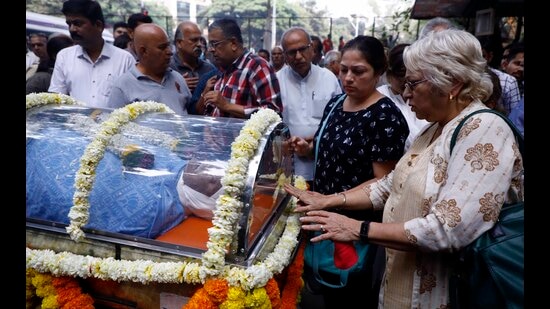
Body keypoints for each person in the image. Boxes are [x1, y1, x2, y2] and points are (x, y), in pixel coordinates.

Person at [285, 29, 523, 308]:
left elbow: (447, 229)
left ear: (453, 84)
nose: (405, 93)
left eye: (413, 83)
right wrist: (330, 200)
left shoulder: (483, 130)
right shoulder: (434, 128)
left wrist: (358, 229)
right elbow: (390, 184)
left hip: (451, 292)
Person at [289, 35, 409, 309]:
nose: (348, 77)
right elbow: (326, 150)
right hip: (324, 218)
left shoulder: (385, 116)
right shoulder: (335, 104)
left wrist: (334, 202)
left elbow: (383, 184)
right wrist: (306, 147)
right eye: (343, 70)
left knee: (352, 296)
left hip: (356, 228)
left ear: (379, 72)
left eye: (358, 71)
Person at [277, 27, 342, 184]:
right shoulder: (276, 81)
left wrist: (315, 142)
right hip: (288, 167)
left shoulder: (328, 78)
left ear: (312, 49)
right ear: (285, 56)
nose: (298, 56)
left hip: (323, 164)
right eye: (292, 52)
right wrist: (280, 144)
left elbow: (339, 120)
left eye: (302, 49)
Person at [48, 0, 135, 108]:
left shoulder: (125, 59)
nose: (72, 29)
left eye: (77, 23)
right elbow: (56, 99)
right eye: (69, 24)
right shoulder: (64, 57)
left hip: (115, 124)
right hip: (74, 124)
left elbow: (133, 102)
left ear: (98, 25)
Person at [198, 18, 282, 118]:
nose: (211, 49)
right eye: (210, 45)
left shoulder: (257, 66)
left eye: (215, 44)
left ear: (233, 44)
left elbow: (273, 113)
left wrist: (227, 106)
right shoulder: (223, 69)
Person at [107, 24, 192, 116]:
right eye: (162, 47)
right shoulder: (123, 87)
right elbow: (115, 124)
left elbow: (190, 112)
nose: (170, 52)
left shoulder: (177, 78)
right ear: (143, 51)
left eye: (168, 45)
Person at [376, 43, 429, 151]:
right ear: (389, 74)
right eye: (401, 75)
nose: (406, 83)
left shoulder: (425, 96)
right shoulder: (380, 99)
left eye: (413, 80)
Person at [171, 21, 217, 96]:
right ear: (179, 43)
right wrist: (175, 87)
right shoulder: (167, 68)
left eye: (200, 40)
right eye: (194, 40)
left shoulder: (209, 69)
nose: (199, 44)